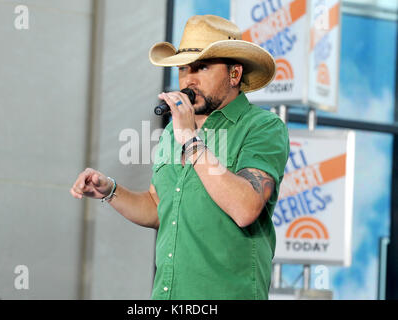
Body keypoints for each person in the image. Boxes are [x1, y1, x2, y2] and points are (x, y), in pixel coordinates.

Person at [70, 15, 289, 300]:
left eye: (202, 67)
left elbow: (246, 208)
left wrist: (190, 140)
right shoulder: (176, 129)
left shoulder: (262, 127)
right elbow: (158, 206)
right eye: (184, 68)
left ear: (234, 75)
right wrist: (110, 190)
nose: (188, 79)